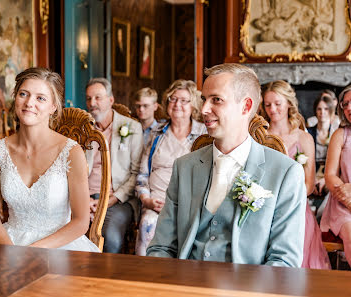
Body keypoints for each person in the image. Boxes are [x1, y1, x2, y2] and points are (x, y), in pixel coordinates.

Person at [147, 63, 306, 267]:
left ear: (246, 106)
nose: (204, 109)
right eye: (204, 99)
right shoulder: (184, 167)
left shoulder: (286, 173)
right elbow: (161, 248)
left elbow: (284, 261)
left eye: (217, 100)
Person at [0, 67, 99, 252]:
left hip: (59, 246)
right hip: (8, 243)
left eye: (40, 98)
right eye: (23, 94)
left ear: (53, 106)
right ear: (15, 98)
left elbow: (81, 222)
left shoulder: (71, 152)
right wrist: (12, 252)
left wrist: (34, 251)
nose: (29, 103)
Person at [262, 80, 330, 269]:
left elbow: (309, 184)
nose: (272, 109)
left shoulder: (304, 137)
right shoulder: (260, 136)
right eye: (267, 104)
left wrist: (286, 198)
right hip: (265, 207)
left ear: (289, 104)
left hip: (296, 207)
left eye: (277, 104)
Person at [135, 80, 206, 255]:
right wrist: (147, 200)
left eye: (183, 100)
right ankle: (145, 275)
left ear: (193, 105)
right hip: (155, 203)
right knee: (147, 223)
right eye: (173, 99)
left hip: (189, 203)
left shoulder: (203, 134)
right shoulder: (157, 133)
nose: (177, 105)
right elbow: (143, 174)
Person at [85, 78, 143, 253]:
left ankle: (108, 279)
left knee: (111, 238)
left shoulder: (131, 127)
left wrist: (109, 201)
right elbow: (72, 171)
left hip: (118, 200)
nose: (92, 103)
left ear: (111, 100)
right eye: (88, 98)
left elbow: (136, 173)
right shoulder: (83, 129)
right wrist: (84, 200)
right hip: (84, 199)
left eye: (98, 97)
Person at [321, 85, 351, 266]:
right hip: (342, 205)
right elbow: (330, 175)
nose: (349, 108)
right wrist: (348, 199)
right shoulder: (340, 135)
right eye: (345, 104)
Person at [307, 94, 338, 197]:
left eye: (326, 109)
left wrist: (326, 179)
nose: (322, 112)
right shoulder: (309, 133)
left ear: (331, 110)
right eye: (319, 109)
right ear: (315, 111)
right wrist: (312, 179)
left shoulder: (336, 133)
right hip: (312, 174)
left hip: (330, 174)